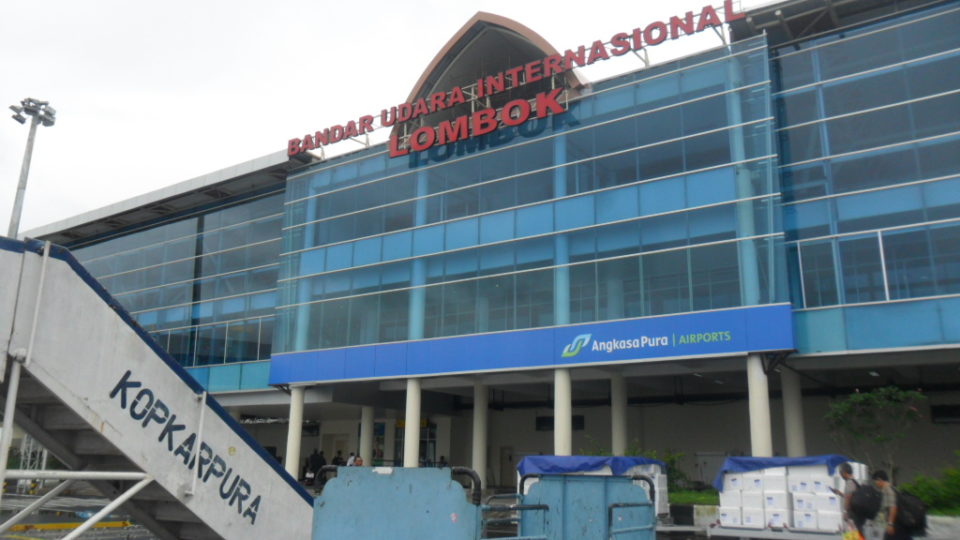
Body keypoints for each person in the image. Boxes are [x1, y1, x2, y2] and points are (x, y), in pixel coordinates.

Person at [873, 470, 909, 540]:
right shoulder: (891, 488)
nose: (875, 483)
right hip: (898, 523)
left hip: (896, 524)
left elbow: (893, 507)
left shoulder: (888, 490)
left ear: (880, 479)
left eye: (876, 481)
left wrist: (890, 524)